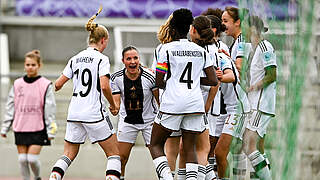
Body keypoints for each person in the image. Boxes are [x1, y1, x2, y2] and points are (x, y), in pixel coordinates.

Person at [48, 7, 121, 180]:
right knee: (114, 155)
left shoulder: (75, 58)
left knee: (68, 154)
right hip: (94, 113)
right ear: (103, 40)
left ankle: (54, 177)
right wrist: (113, 104)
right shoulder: (102, 59)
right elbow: (104, 86)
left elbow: (57, 84)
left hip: (74, 112)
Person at [150, 8, 218, 180]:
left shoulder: (166, 49)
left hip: (173, 103)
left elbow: (158, 81)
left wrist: (172, 81)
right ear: (190, 27)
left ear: (172, 27)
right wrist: (195, 80)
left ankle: (167, 178)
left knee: (155, 144)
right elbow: (213, 80)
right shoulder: (201, 51)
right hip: (195, 104)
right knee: (190, 148)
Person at [1, 49, 57, 180]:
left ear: (39, 65)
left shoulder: (45, 84)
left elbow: (50, 109)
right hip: (20, 127)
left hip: (38, 128)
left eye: (33, 65)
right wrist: (5, 127)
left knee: (31, 158)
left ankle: (37, 177)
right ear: (24, 65)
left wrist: (51, 131)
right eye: (27, 65)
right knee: (22, 159)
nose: (30, 67)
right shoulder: (17, 84)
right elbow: (10, 106)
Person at [110, 46, 159, 180]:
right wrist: (113, 108)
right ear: (123, 61)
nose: (132, 61)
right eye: (129, 58)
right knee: (121, 158)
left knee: (158, 157)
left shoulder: (150, 77)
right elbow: (116, 104)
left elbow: (159, 100)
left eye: (135, 58)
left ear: (139, 59)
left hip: (149, 121)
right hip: (128, 122)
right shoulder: (116, 78)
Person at [242, 15, 275, 180]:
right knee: (258, 149)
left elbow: (272, 74)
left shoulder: (264, 46)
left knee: (249, 145)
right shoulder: (253, 48)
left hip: (261, 104)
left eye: (244, 27)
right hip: (255, 104)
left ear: (252, 29)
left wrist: (254, 87)